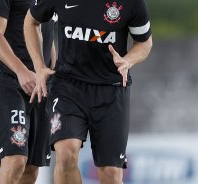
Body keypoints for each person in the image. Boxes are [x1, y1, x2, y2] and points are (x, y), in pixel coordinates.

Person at [24, 0, 152, 183]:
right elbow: (31, 21)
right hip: (68, 86)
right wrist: (39, 66)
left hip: (111, 90)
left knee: (110, 173)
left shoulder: (132, 3)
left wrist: (128, 60)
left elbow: (145, 43)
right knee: (66, 154)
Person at [0, 0, 55, 183]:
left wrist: (54, 74)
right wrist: (21, 71)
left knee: (31, 170)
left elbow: (48, 37)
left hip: (40, 86)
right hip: (7, 82)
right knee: (15, 161)